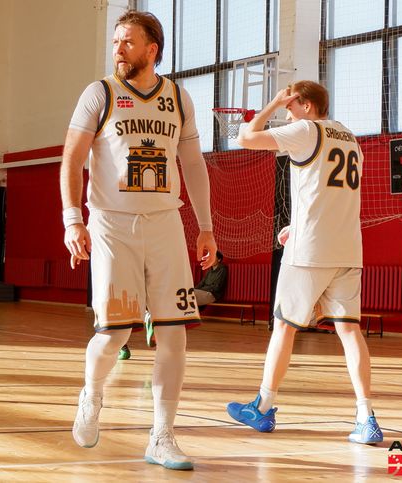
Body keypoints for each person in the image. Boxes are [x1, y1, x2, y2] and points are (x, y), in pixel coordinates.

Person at [60, 10, 217, 471]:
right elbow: (71, 159)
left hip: (166, 224)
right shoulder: (100, 93)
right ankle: (92, 395)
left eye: (127, 42)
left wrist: (206, 226)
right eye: (115, 42)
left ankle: (162, 436)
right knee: (114, 334)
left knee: (174, 335)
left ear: (152, 49)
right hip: (112, 225)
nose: (118, 49)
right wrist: (73, 220)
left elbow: (194, 165)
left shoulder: (178, 98)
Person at [227, 80, 383, 445]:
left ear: (307, 105)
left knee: (284, 327)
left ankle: (263, 407)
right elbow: (329, 194)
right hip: (347, 248)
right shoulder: (349, 138)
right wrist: (296, 226)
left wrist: (271, 102)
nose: (287, 114)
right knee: (350, 331)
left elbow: (244, 138)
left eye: (291, 107)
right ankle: (366, 417)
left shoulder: (306, 130)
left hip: (310, 251)